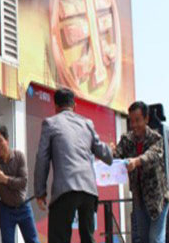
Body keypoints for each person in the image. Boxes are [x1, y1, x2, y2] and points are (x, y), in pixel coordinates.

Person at [34, 88, 113, 243]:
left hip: (66, 189)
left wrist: (40, 192)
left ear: (56, 106)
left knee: (59, 239)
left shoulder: (50, 123)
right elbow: (104, 153)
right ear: (74, 106)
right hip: (89, 190)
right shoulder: (87, 124)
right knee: (88, 238)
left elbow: (42, 158)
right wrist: (112, 152)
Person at [111, 101, 169, 243]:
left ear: (146, 119)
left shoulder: (156, 138)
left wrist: (136, 161)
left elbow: (151, 156)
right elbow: (116, 156)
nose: (134, 125)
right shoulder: (126, 140)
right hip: (139, 198)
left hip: (158, 200)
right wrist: (110, 151)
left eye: (137, 120)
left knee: (155, 239)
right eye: (131, 121)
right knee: (143, 239)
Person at [0, 125, 40, 243]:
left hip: (24, 206)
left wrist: (5, 179)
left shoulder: (19, 156)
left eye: (0, 141)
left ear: (7, 140)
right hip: (6, 210)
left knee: (33, 240)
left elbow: (23, 182)